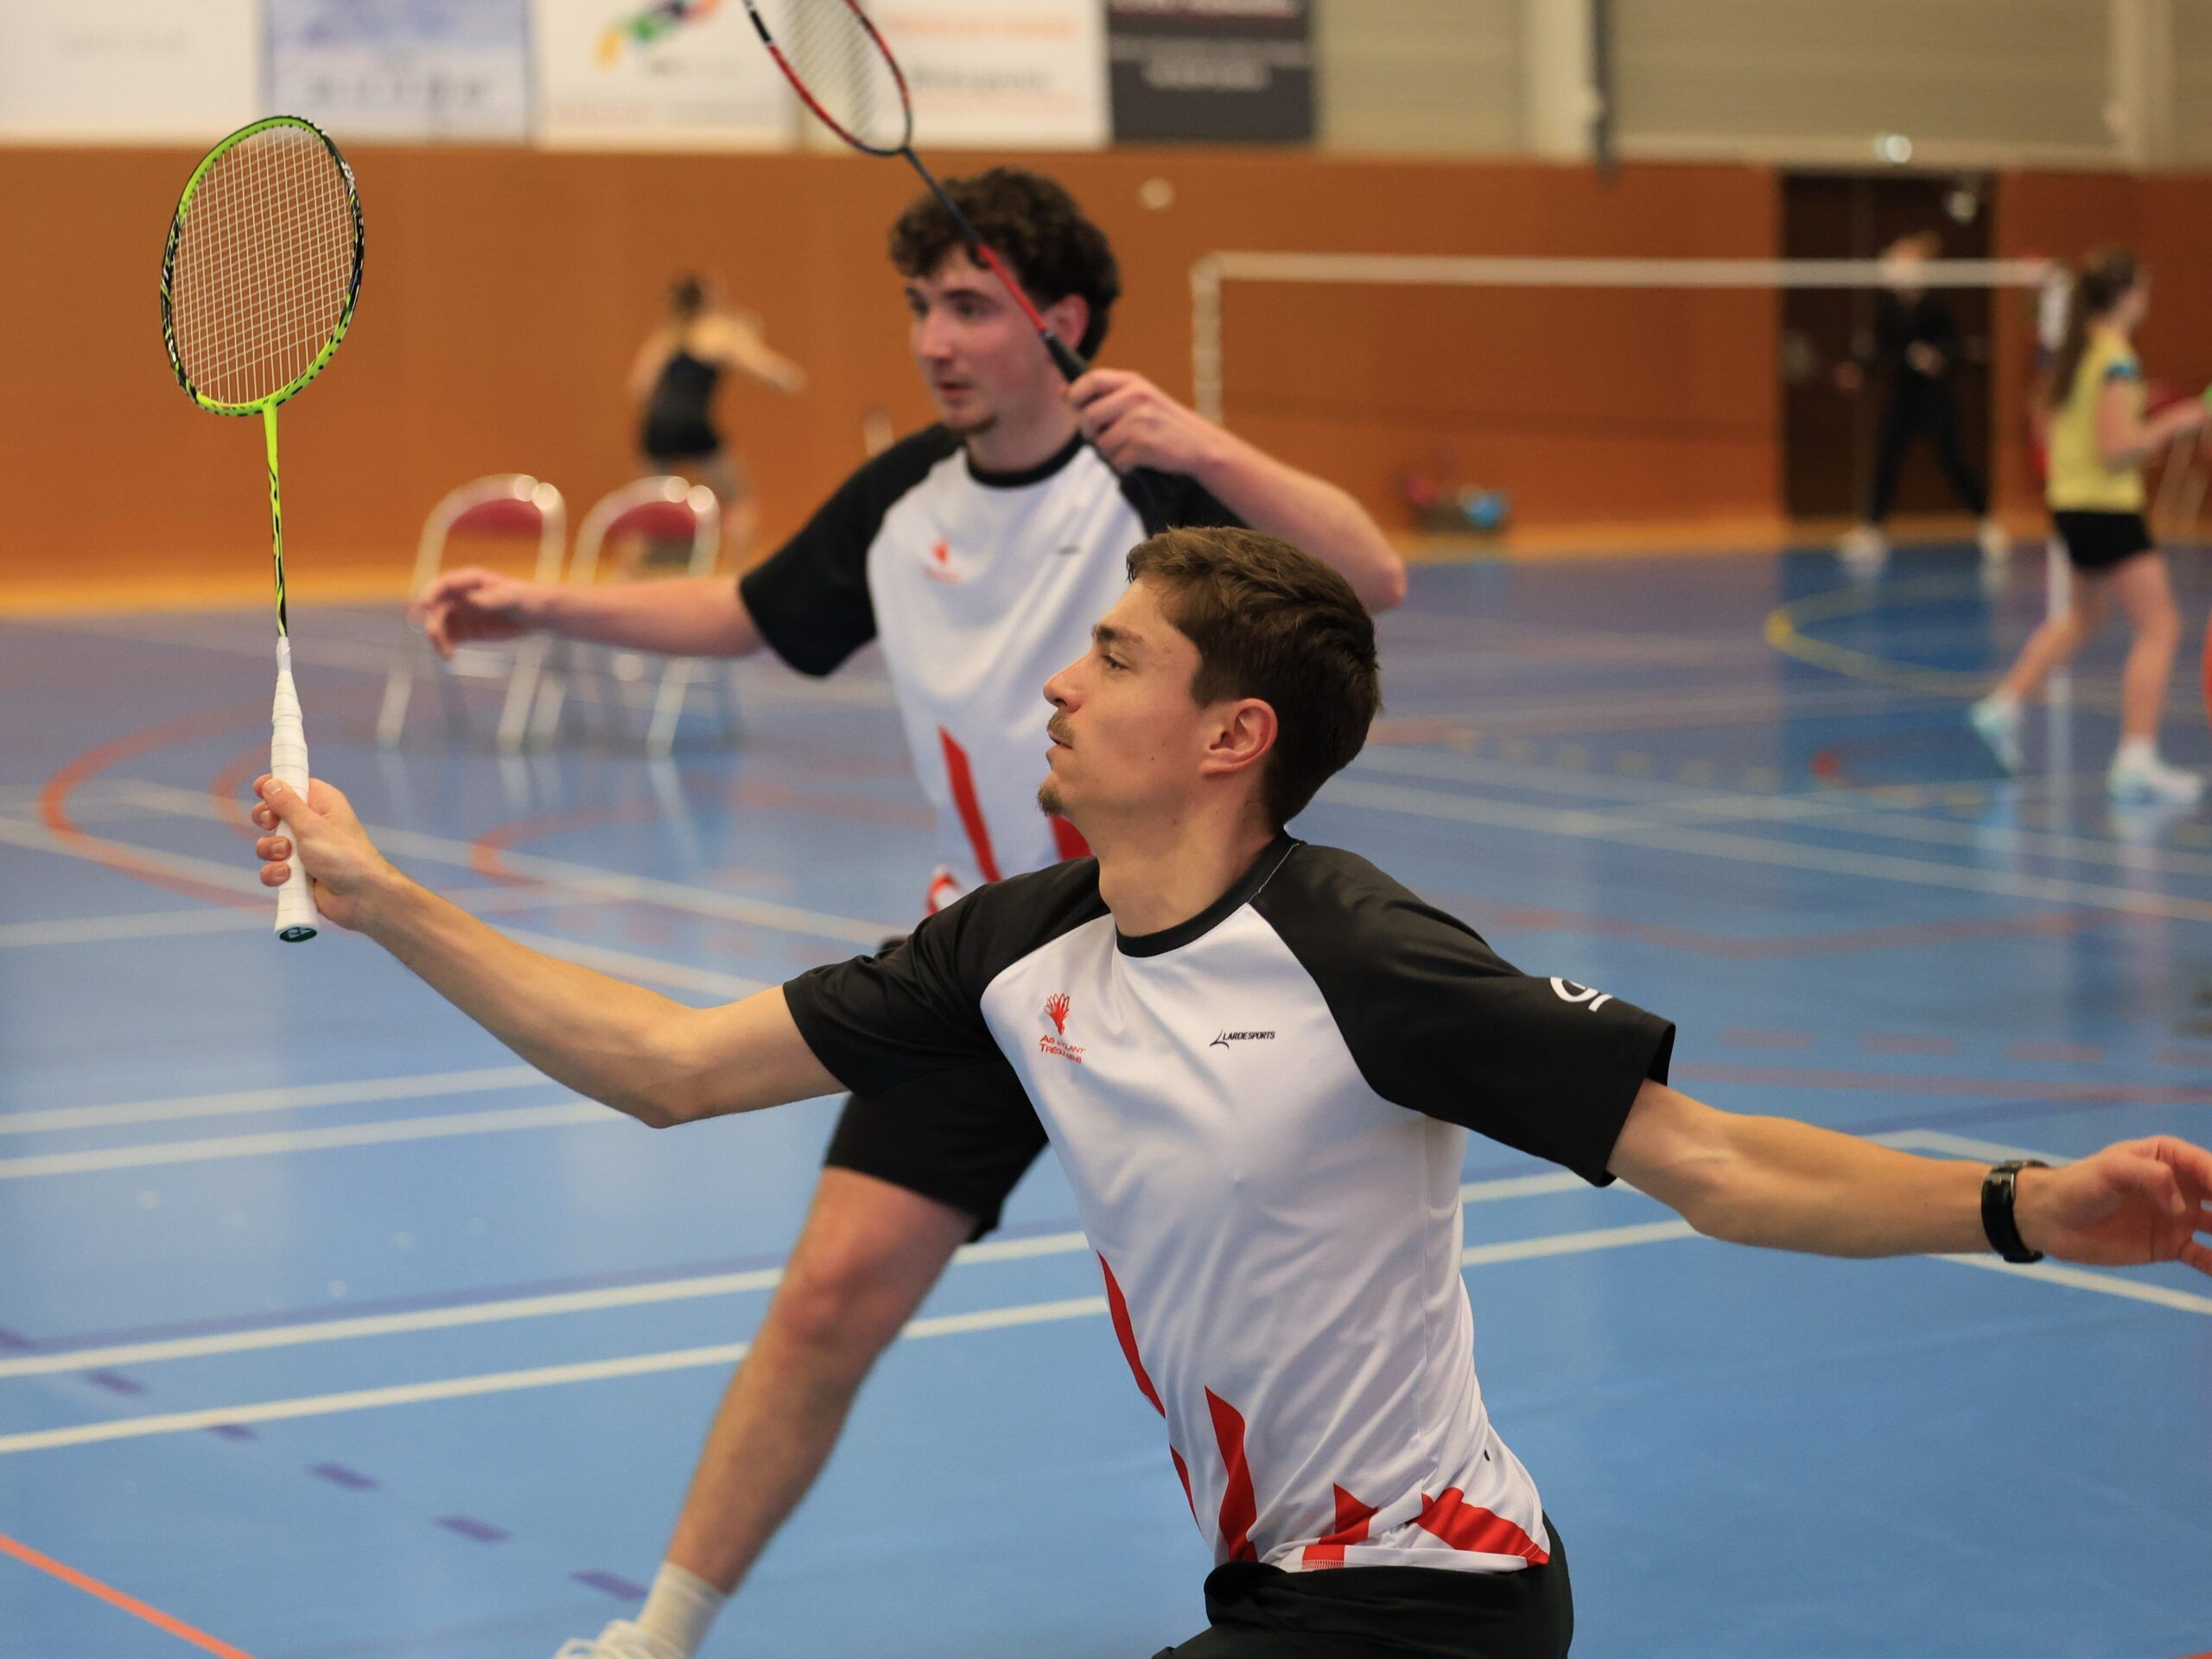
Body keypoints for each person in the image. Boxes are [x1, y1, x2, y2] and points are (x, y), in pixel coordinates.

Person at [253, 524, 2212, 1659]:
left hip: (1428, 1599)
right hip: (1275, 1585)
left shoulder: (1367, 955)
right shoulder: (1014, 947)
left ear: (1227, 736)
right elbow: (669, 1071)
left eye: (1112, 658)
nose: (1056, 684)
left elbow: (1713, 1164)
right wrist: (386, 895)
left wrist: (2026, 1205)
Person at [409, 168, 1405, 1659]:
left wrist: (1199, 441)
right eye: (921, 308)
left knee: (1249, 1326)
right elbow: (751, 613)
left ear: (1062, 323)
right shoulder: (902, 502)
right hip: (991, 963)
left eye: (971, 308)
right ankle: (658, 1637)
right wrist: (548, 605)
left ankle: (1351, 1596)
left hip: (1186, 968)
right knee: (826, 1301)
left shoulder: (1158, 487)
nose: (935, 340)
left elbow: (1373, 575)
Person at [1969, 247, 2209, 804]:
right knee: (2161, 626)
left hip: (2070, 503)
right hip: (2106, 508)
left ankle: (2004, 705)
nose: (2148, 300)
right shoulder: (2117, 359)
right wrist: (2175, 420)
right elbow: (2115, 447)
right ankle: (2136, 757)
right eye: (2143, 290)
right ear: (2125, 297)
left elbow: (2060, 430)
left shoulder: (2079, 353)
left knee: (2085, 615)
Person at [1836, 232, 2009, 568]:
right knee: (1886, 461)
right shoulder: (1889, 308)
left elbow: (1957, 347)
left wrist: (1937, 357)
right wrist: (1858, 370)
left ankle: (1986, 521)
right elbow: (1877, 348)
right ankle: (1872, 530)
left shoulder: (1937, 307)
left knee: (1952, 460)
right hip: (1901, 395)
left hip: (1934, 397)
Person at [630, 275, 809, 566]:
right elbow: (773, 373)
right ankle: (739, 572)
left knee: (650, 506)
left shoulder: (664, 337)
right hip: (693, 423)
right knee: (741, 500)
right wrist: (787, 376)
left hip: (657, 427)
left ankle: (629, 574)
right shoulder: (720, 333)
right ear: (708, 301)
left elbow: (639, 389)